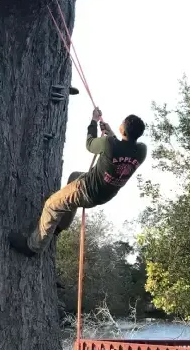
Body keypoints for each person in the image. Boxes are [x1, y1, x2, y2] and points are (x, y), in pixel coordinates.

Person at [9, 107, 147, 257]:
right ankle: (59, 227)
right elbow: (122, 149)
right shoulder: (141, 151)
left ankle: (33, 247)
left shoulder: (109, 144)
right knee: (74, 176)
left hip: (86, 189)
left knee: (51, 205)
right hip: (105, 194)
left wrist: (93, 121)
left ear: (123, 130)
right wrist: (110, 132)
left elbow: (90, 144)